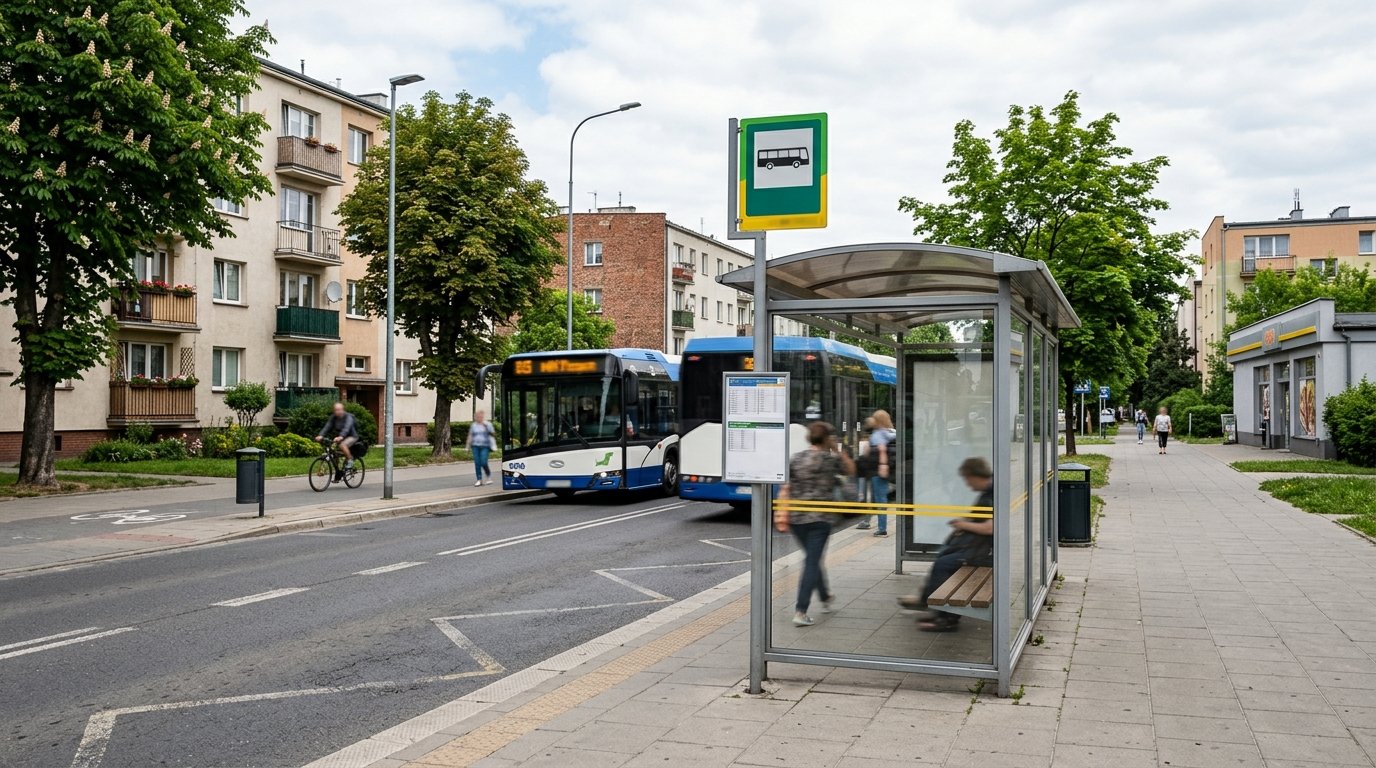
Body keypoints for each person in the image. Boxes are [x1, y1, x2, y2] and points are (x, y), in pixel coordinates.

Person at [898, 457, 994, 633]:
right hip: (980, 547)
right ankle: (931, 603)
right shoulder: (990, 490)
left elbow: (990, 528)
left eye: (967, 479)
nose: (967, 484)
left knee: (943, 565)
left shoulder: (991, 493)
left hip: (985, 552)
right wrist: (963, 523)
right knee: (943, 557)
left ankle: (946, 618)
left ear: (975, 475)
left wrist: (963, 525)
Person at [775, 421, 855, 627]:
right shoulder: (829, 461)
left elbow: (788, 485)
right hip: (820, 520)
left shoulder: (797, 459)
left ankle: (825, 595)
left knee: (812, 558)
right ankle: (800, 611)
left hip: (797, 520)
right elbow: (851, 470)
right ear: (827, 439)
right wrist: (838, 450)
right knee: (811, 561)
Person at [864, 410, 896, 537]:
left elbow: (882, 449)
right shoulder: (892, 432)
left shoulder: (877, 434)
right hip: (891, 468)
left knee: (880, 498)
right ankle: (870, 521)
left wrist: (883, 466)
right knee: (879, 497)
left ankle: (882, 528)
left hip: (877, 469)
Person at [316, 402, 360, 474]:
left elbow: (347, 428)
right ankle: (338, 472)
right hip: (339, 437)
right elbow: (327, 427)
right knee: (333, 452)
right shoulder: (333, 418)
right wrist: (321, 435)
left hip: (351, 436)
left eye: (339, 409)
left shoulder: (348, 417)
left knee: (342, 445)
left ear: (343, 410)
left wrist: (341, 436)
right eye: (336, 410)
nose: (338, 411)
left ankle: (350, 459)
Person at [467, 411, 496, 487]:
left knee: (483, 462)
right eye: (477, 417)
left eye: (480, 417)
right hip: (475, 446)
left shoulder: (487, 424)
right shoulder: (474, 425)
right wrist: (468, 446)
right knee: (477, 463)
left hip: (485, 446)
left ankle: (488, 476)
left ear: (482, 417)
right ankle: (479, 479)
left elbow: (493, 434)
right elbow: (470, 436)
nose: (478, 418)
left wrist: (486, 428)